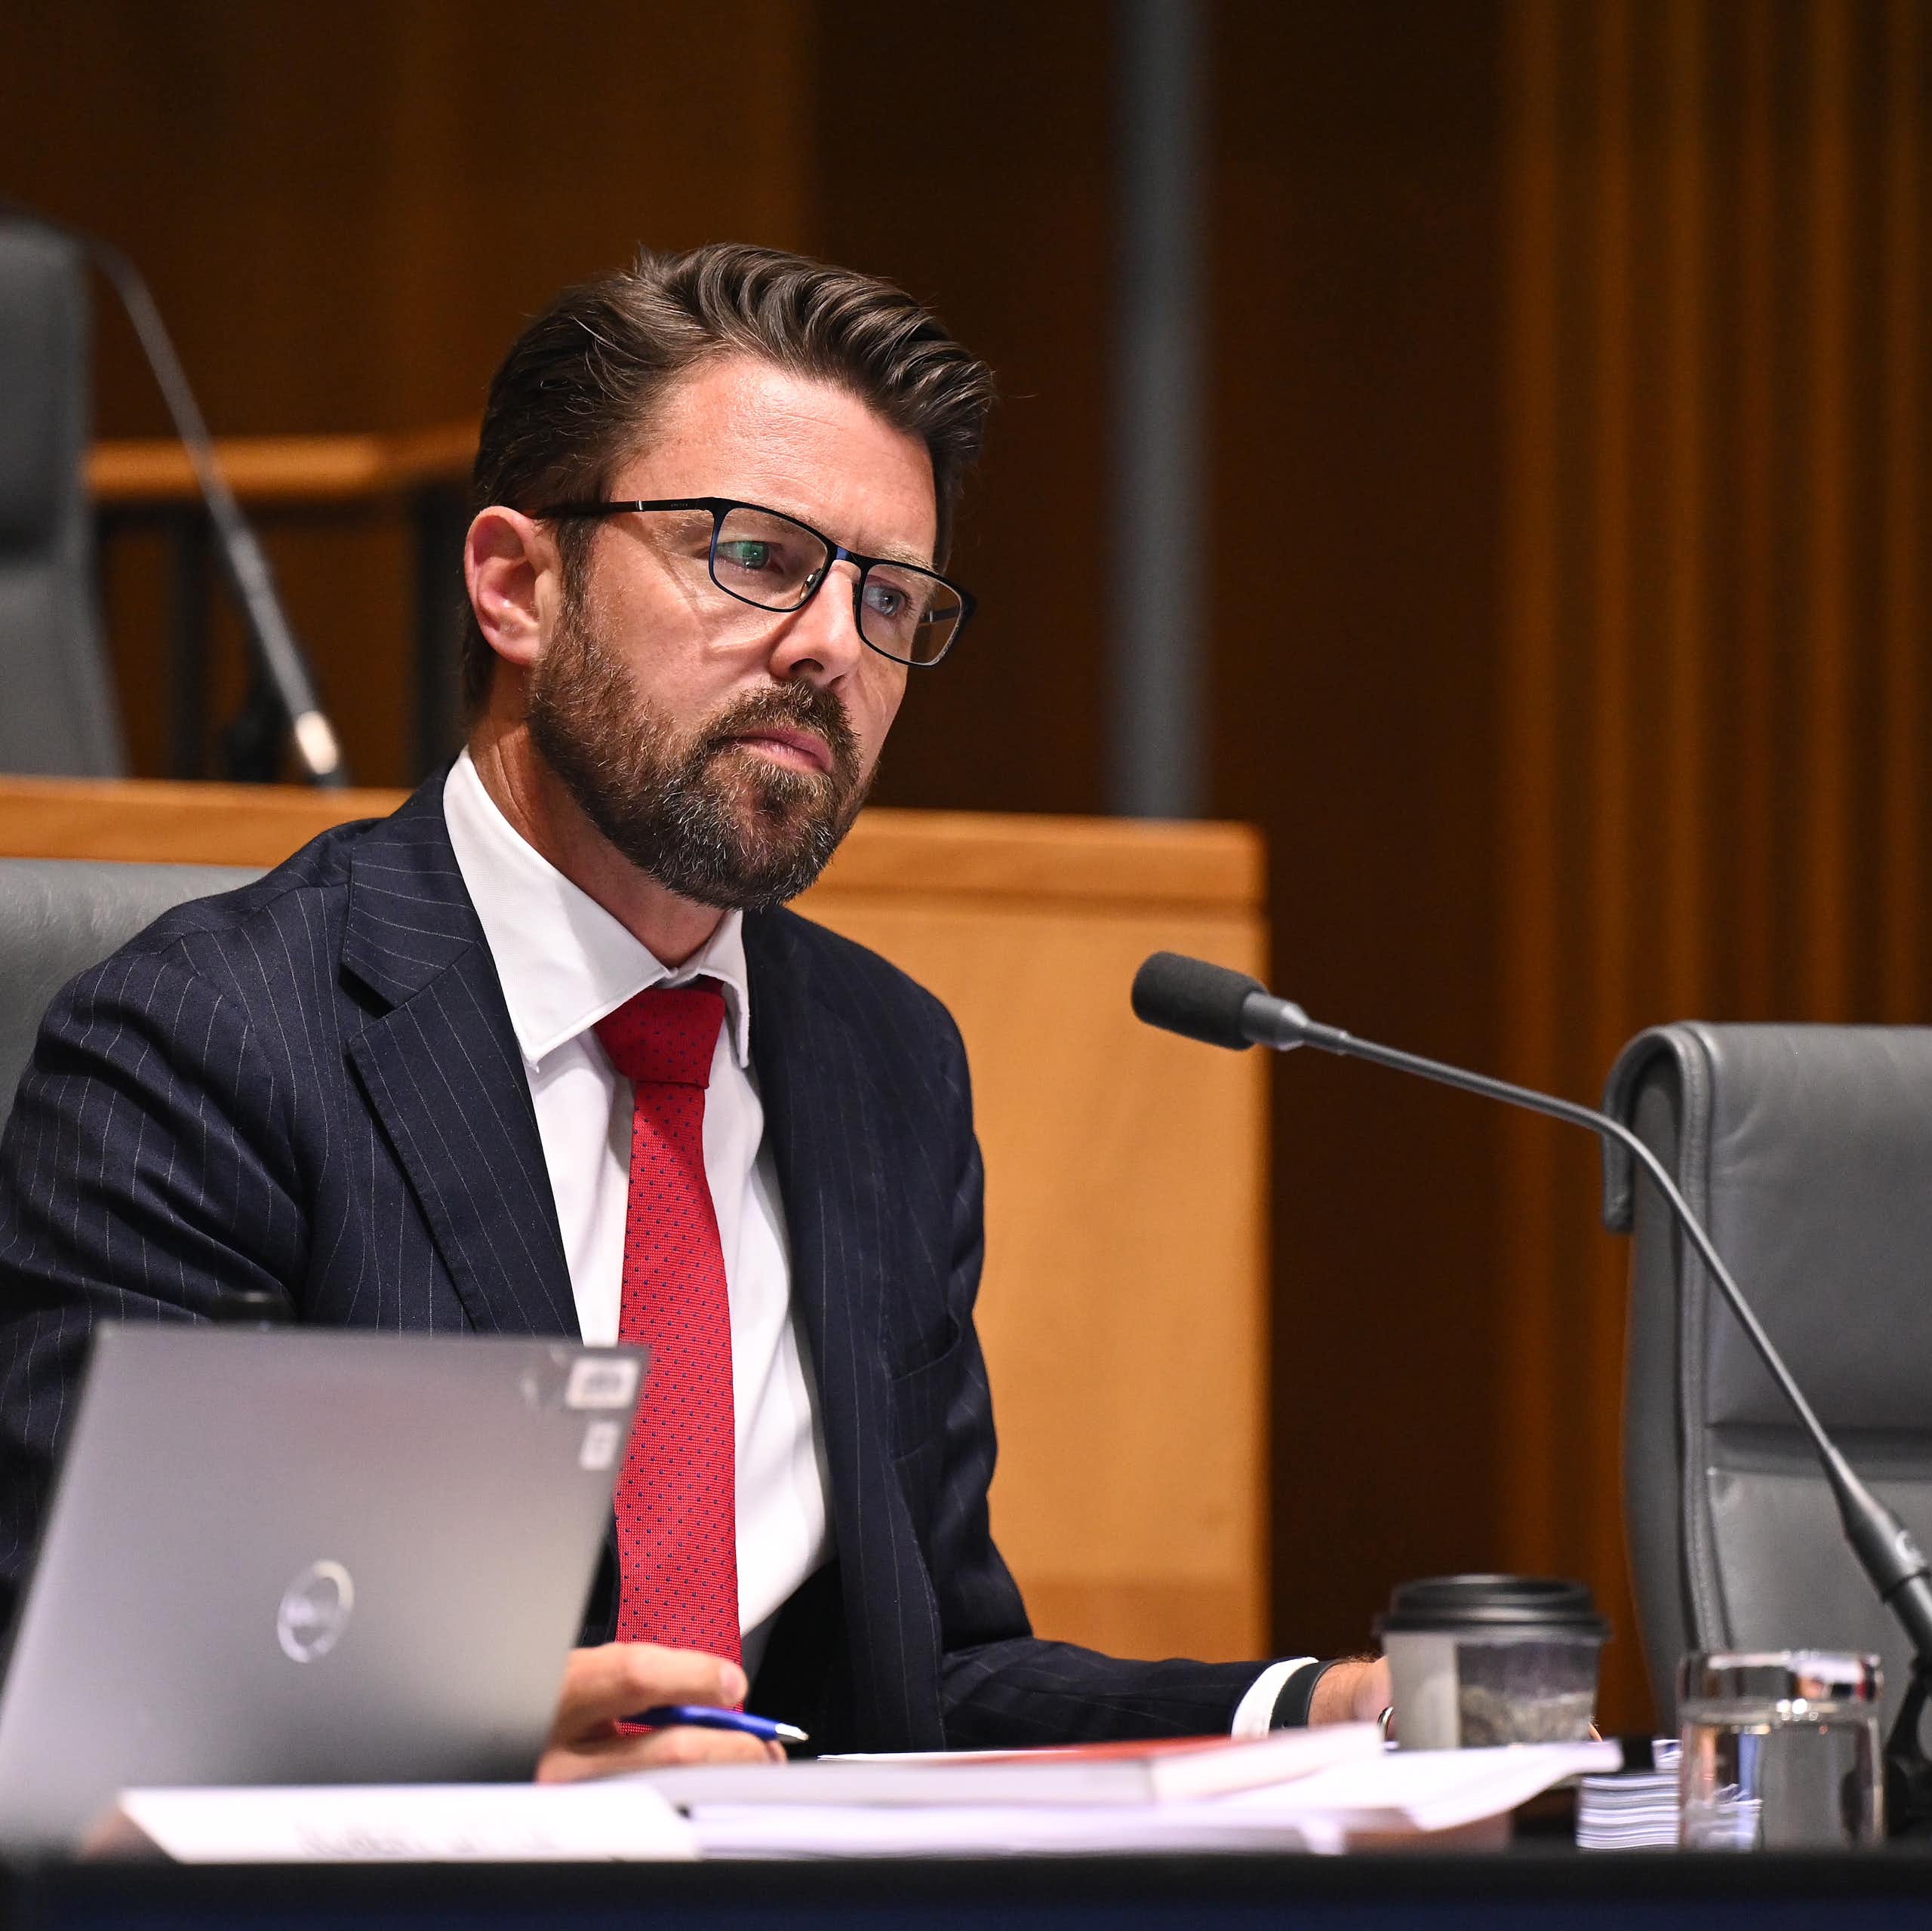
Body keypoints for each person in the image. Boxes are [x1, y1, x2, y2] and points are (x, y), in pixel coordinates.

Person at [0, 244, 1389, 1775]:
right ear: (518, 587)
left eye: (888, 595)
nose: (830, 647)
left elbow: (920, 1676)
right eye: (756, 556)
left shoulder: (883, 1060)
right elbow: (110, 1692)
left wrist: (1313, 1711)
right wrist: (496, 1776)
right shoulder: (208, 1042)